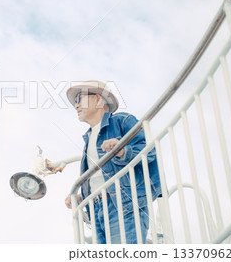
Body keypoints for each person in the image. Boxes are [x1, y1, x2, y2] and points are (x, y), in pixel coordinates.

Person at [47, 80, 161, 244]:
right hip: (97, 211)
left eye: (79, 98)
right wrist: (82, 197)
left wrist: (122, 151)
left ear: (99, 100)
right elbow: (100, 177)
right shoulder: (88, 140)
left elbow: (149, 150)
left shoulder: (121, 120)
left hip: (123, 206)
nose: (76, 105)